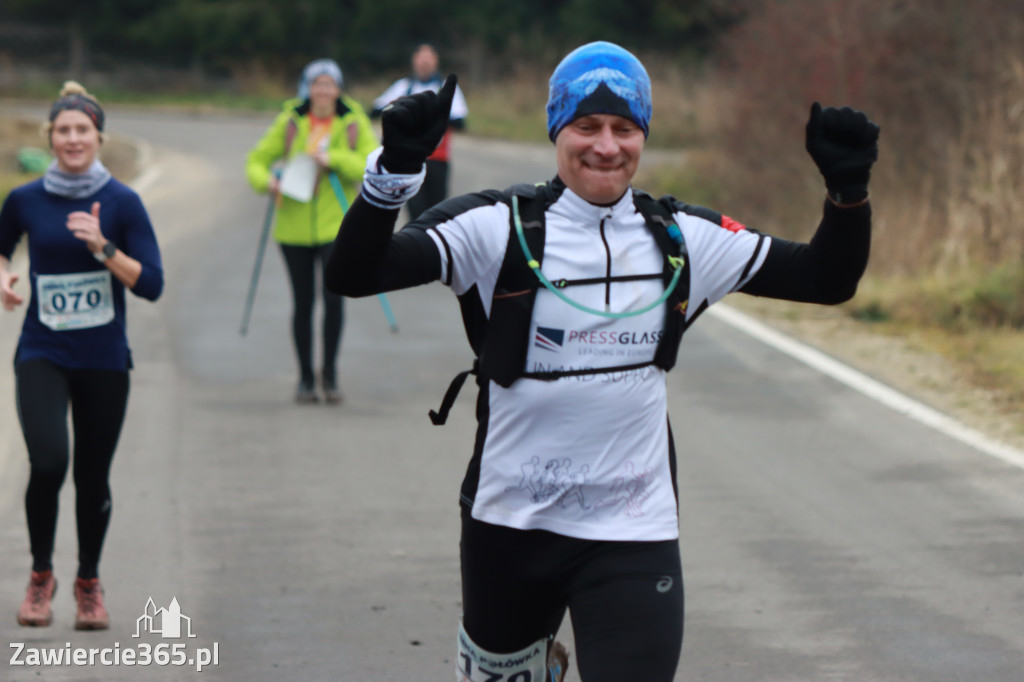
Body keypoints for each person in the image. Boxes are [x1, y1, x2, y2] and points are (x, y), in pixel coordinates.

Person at [325, 41, 879, 682]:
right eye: (586, 127)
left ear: (643, 134)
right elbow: (354, 274)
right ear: (557, 130)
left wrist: (848, 193)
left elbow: (826, 278)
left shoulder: (680, 239)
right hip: (509, 524)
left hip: (633, 529)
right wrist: (391, 174)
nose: (606, 146)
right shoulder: (496, 227)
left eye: (625, 128)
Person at [0, 81, 164, 630]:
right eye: (63, 130)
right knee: (48, 463)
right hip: (42, 350)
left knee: (93, 477)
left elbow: (152, 285)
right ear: (50, 138)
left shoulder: (122, 203)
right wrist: (4, 278)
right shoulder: (23, 199)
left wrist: (103, 248)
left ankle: (88, 583)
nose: (73, 138)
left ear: (98, 137)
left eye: (82, 130)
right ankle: (41, 576)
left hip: (103, 357)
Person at [246, 58, 378, 403]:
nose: (322, 90)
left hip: (338, 228)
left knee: (334, 301)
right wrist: (268, 182)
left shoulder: (352, 122)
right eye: (316, 83)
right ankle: (305, 378)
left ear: (338, 88)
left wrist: (333, 158)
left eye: (328, 83)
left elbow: (370, 164)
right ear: (308, 87)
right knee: (302, 304)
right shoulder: (290, 121)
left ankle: (329, 376)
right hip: (292, 229)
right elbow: (256, 162)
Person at [371, 43, 469, 220]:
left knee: (438, 212)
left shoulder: (446, 88)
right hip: (409, 159)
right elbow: (376, 109)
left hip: (438, 158)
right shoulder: (403, 86)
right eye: (421, 58)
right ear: (414, 61)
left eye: (428, 58)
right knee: (415, 211)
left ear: (436, 61)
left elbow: (461, 121)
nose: (424, 62)